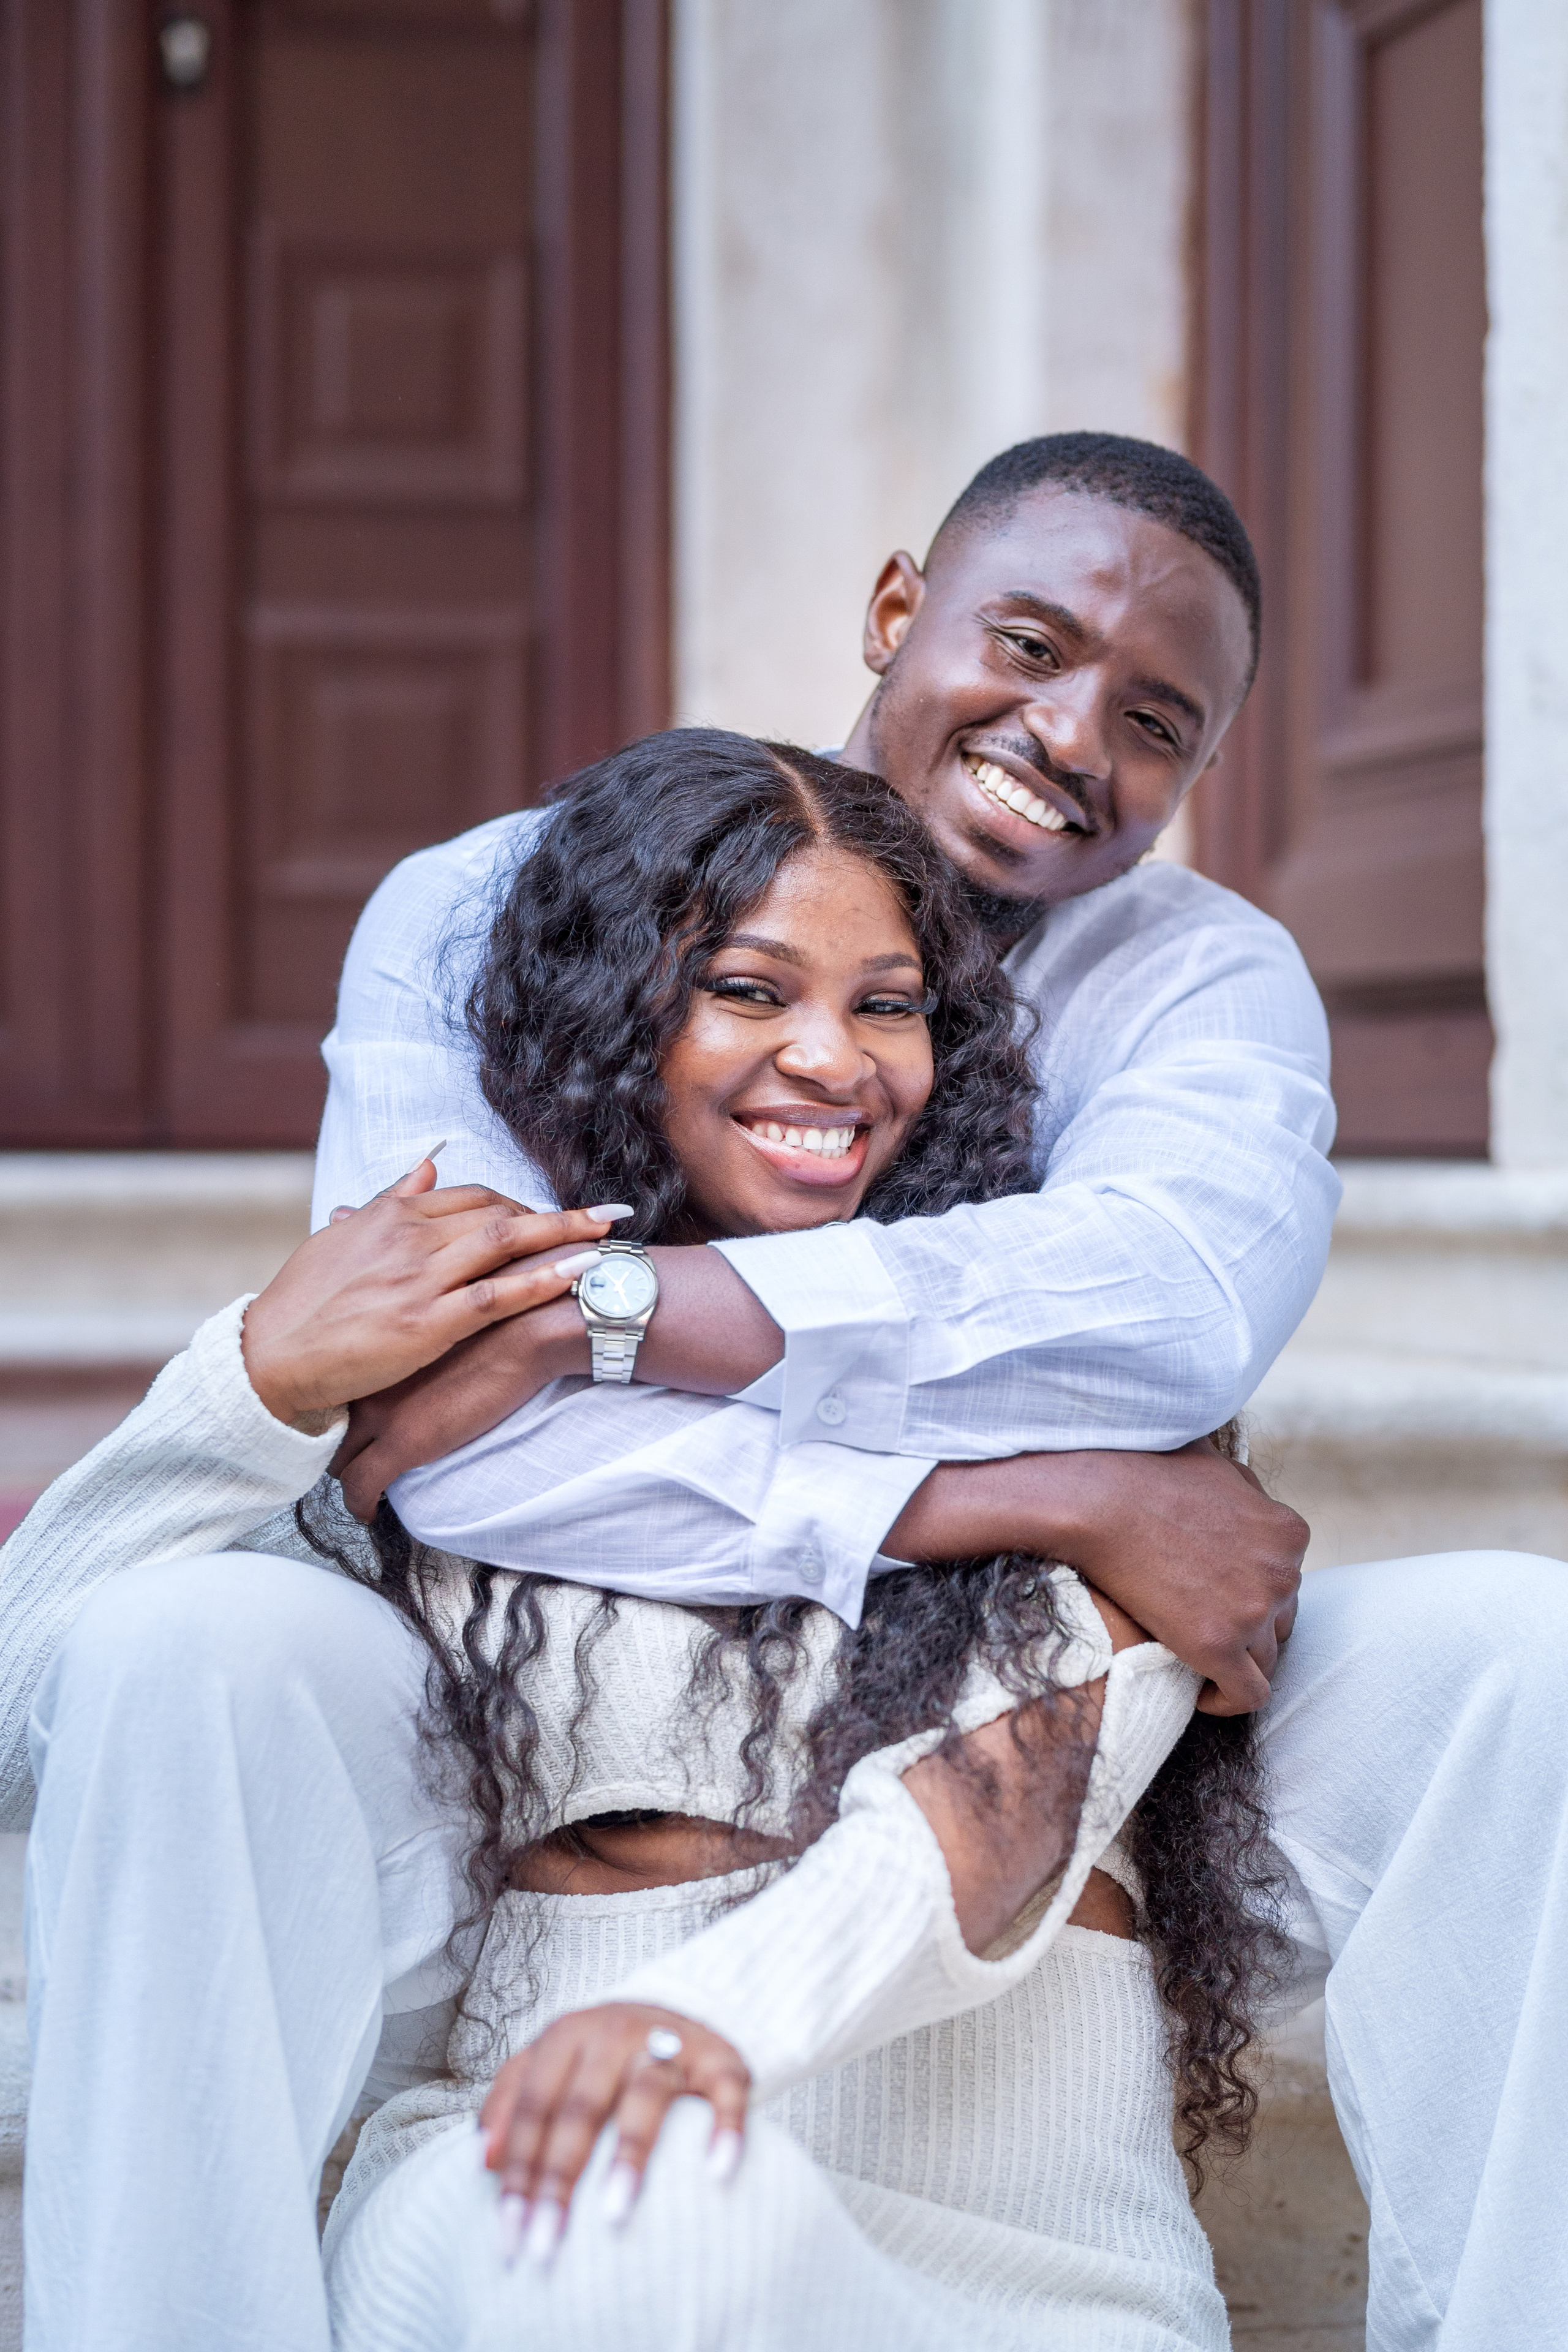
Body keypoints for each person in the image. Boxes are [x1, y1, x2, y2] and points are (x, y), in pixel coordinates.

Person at [309, 435, 1568, 2351]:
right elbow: (448, 1438)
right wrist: (1029, 1487)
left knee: (1521, 1663)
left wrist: (621, 1310)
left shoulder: (1195, 985)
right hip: (577, 1840)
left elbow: (1163, 1330)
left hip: (998, 2038)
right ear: (899, 609)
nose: (1072, 738)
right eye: (1032, 644)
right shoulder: (503, 905)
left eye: (1154, 719)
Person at [6, 741, 1284, 2350]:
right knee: (655, 2205)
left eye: (887, 1005)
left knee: (683, 2183)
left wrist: (693, 2029)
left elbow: (996, 1816)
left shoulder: (1042, 1368)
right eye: (752, 990)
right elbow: (46, 1691)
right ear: (621, 1017)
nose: (834, 1060)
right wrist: (253, 1379)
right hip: (554, 2199)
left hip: (1016, 2262)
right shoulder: (483, 1414)